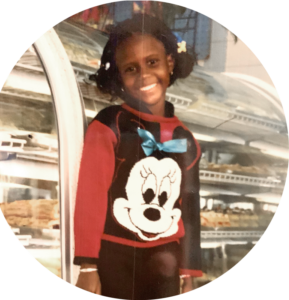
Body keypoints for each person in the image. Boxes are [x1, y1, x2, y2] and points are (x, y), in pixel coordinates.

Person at [74, 13, 202, 300]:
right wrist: (87, 266)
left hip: (166, 261)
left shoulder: (186, 139)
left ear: (170, 62)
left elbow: (190, 211)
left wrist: (190, 276)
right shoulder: (108, 125)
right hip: (113, 257)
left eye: (152, 62)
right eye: (131, 68)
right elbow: (90, 196)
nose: (144, 75)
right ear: (119, 76)